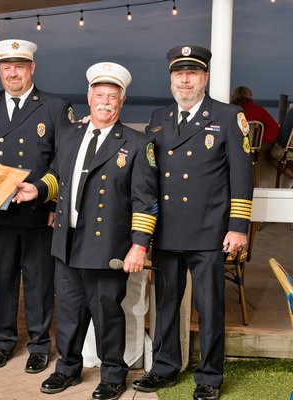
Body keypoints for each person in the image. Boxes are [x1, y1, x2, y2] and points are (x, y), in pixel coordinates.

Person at [13, 62, 159, 400]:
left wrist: (139, 246)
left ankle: (112, 375)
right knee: (68, 311)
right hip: (67, 240)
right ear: (89, 97)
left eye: (112, 96)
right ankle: (67, 369)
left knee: (107, 312)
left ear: (122, 102)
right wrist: (38, 190)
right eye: (99, 94)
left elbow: (145, 201)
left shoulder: (137, 144)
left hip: (108, 246)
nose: (105, 102)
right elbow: (56, 176)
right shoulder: (70, 133)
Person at [132, 45, 253, 400]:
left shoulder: (229, 117)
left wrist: (238, 226)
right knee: (166, 305)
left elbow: (242, 177)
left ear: (205, 77)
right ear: (171, 78)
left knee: (210, 307)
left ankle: (210, 378)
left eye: (192, 74)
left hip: (210, 233)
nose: (184, 80)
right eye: (178, 74)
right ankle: (165, 368)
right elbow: (148, 175)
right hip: (168, 231)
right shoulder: (158, 118)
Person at [0, 39, 73, 374]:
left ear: (31, 68)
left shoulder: (55, 107)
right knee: (1, 279)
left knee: (39, 281)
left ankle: (39, 344)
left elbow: (64, 162)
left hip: (38, 211)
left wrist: (50, 197)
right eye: (6, 67)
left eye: (19, 66)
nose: (13, 73)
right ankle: (2, 343)